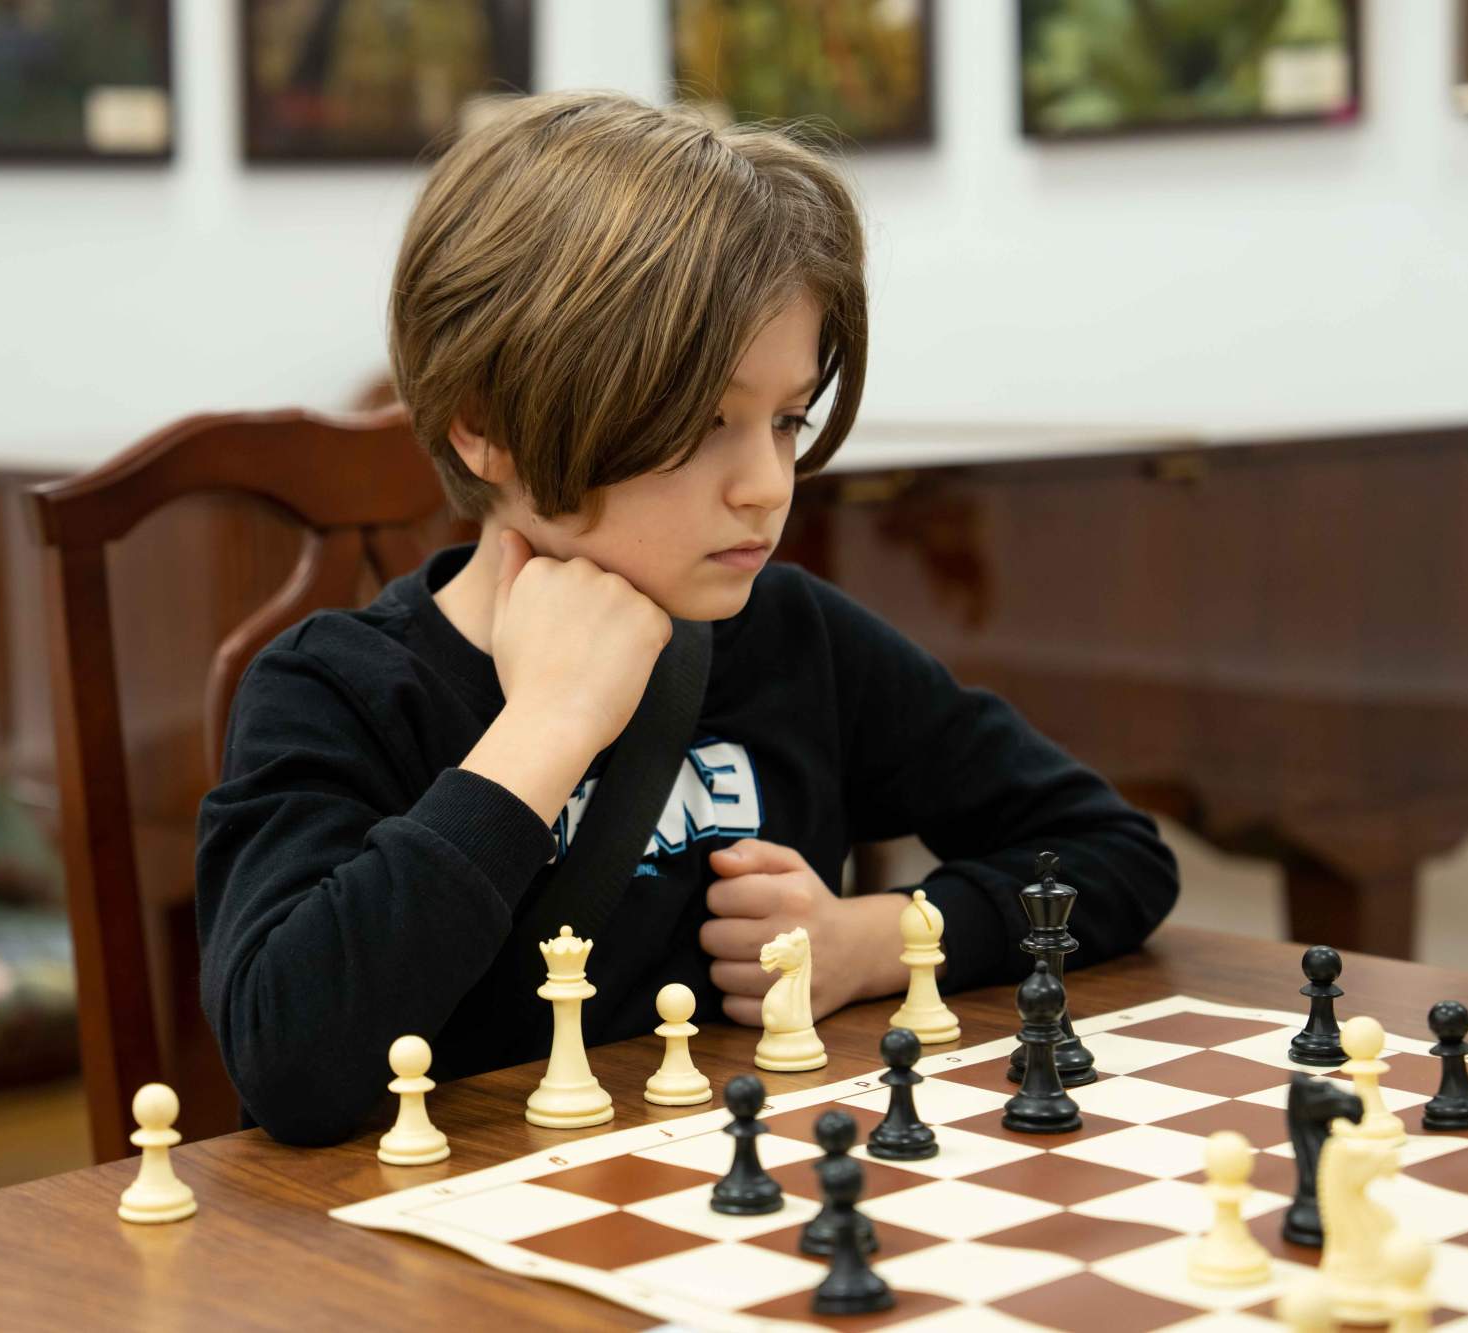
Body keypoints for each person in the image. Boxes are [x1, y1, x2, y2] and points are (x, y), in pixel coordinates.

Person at [196, 90, 1178, 1146]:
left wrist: (874, 939)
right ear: (484, 425)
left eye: (787, 419)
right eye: (703, 422)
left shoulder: (795, 637)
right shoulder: (336, 688)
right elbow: (289, 1066)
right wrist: (547, 726)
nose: (767, 485)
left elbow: (1113, 853)